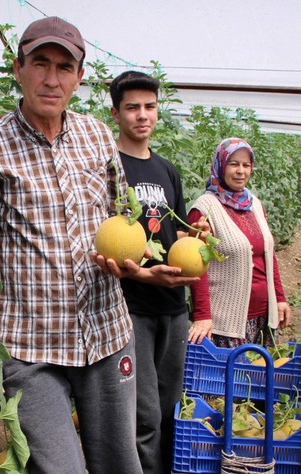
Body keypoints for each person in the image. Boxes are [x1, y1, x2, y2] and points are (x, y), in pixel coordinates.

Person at [0, 17, 143, 474]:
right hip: (29, 347)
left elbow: (124, 215)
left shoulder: (98, 136)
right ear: (18, 68)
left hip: (107, 335)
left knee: (121, 463)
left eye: (64, 67)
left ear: (79, 78)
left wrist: (136, 262)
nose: (52, 78)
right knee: (59, 468)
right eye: (40, 63)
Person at [99, 70, 209, 474]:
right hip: (132, 307)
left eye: (149, 106)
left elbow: (176, 231)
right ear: (115, 113)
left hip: (173, 306)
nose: (142, 115)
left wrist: (196, 237)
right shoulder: (108, 169)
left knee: (169, 407)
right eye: (132, 108)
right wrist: (141, 273)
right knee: (143, 415)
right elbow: (104, 238)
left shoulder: (167, 170)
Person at [187, 137, 291, 348]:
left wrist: (279, 298)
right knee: (231, 380)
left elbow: (268, 255)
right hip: (226, 323)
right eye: (233, 164)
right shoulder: (204, 209)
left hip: (263, 317)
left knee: (260, 378)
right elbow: (197, 268)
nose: (240, 171)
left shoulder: (254, 204)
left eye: (246, 165)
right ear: (220, 165)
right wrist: (202, 315)